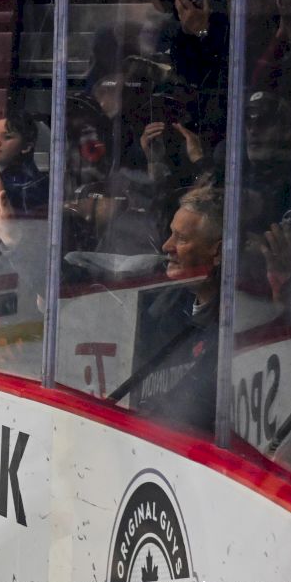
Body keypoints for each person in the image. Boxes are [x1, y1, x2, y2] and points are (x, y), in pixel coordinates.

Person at [128, 184, 223, 432]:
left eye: (181, 238)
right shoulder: (162, 306)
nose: (167, 246)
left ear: (218, 251)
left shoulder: (231, 325)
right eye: (171, 234)